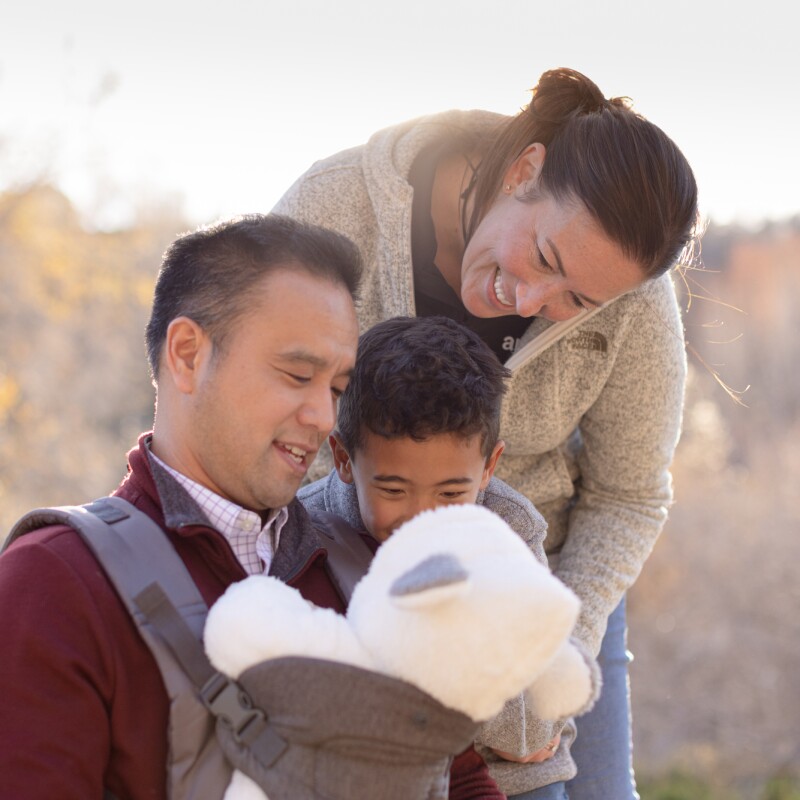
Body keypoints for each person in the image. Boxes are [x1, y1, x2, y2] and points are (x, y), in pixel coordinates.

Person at [274, 67, 699, 799]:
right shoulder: (335, 208)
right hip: (350, 568)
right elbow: (264, 405)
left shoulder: (634, 301)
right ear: (523, 170)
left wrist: (553, 651)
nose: (529, 298)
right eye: (545, 257)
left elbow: (629, 495)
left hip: (541, 591)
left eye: (576, 300)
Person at [0, 214, 502, 799]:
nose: (322, 416)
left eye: (337, 389)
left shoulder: (368, 567)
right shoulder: (52, 584)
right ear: (187, 354)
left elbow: (458, 779)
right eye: (297, 374)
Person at [300, 314, 603, 796]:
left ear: (488, 468)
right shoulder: (306, 532)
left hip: (513, 782)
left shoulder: (507, 531)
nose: (423, 518)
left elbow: (526, 736)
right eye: (394, 489)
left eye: (449, 493)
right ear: (342, 458)